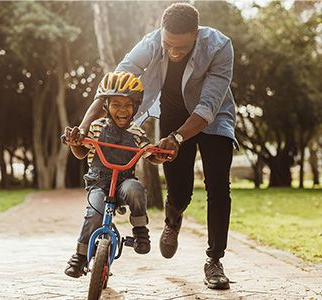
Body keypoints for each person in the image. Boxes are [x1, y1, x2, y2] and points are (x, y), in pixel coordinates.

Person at [72, 3, 236, 290]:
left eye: (181, 47)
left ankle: (214, 260)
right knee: (180, 190)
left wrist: (178, 139)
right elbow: (112, 85)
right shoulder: (151, 43)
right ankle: (173, 218)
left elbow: (208, 106)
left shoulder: (220, 47)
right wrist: (84, 127)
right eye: (168, 44)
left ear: (196, 34)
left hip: (214, 118)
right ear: (162, 33)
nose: (173, 52)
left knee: (219, 187)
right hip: (173, 114)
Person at [64, 71, 165, 278]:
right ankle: (80, 256)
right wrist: (75, 143)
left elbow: (149, 154)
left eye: (128, 105)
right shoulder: (95, 127)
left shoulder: (137, 132)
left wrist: (160, 155)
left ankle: (140, 231)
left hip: (124, 183)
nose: (122, 110)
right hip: (98, 183)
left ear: (135, 107)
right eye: (116, 104)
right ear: (106, 106)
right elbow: (82, 152)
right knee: (94, 214)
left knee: (136, 189)